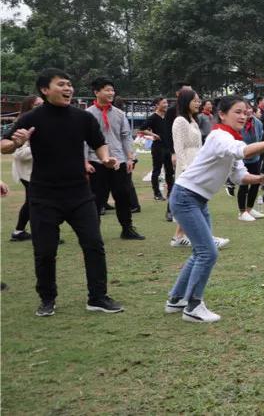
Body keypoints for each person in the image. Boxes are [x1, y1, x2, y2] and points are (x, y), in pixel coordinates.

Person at [1, 68, 125, 317]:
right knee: (45, 251)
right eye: (61, 84)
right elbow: (3, 145)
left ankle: (98, 297)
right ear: (45, 90)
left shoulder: (82, 118)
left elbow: (98, 143)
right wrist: (17, 142)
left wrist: (105, 158)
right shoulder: (31, 118)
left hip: (79, 194)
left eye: (69, 84)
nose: (68, 88)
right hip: (43, 196)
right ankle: (47, 299)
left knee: (94, 244)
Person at [166, 96, 264, 323]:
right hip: (186, 197)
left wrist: (261, 178)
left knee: (201, 252)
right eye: (238, 112)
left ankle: (176, 299)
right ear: (222, 115)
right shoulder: (219, 136)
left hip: (198, 199)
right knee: (208, 253)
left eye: (246, 112)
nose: (244, 116)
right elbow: (244, 152)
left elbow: (239, 176)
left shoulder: (230, 138)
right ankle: (193, 306)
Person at [85, 77, 144, 240]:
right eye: (107, 90)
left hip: (119, 161)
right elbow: (83, 140)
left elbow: (126, 136)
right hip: (96, 161)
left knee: (123, 196)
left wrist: (130, 158)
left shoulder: (119, 114)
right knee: (96, 198)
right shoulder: (87, 114)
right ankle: (93, 232)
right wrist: (84, 161)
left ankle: (127, 229)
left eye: (112, 90)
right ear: (96, 92)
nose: (111, 93)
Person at [171, 89, 230, 249]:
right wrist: (185, 168)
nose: (198, 103)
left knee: (196, 200)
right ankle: (204, 237)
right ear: (186, 101)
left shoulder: (192, 120)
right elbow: (179, 147)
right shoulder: (180, 121)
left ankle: (179, 236)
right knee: (194, 201)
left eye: (199, 101)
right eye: (195, 101)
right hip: (188, 166)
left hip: (196, 162)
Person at [10, 95, 43, 241]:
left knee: (32, 202)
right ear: (28, 107)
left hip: (38, 171)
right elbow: (19, 153)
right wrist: (42, 147)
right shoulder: (23, 124)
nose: (41, 106)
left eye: (43, 103)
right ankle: (38, 233)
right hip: (27, 172)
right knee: (35, 202)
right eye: (37, 104)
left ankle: (19, 231)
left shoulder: (41, 121)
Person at [235, 105, 264, 222]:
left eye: (249, 109)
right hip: (242, 158)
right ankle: (242, 211)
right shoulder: (238, 123)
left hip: (255, 158)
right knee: (244, 184)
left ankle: (249, 209)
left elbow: (260, 138)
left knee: (256, 182)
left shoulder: (257, 123)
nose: (248, 111)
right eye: (245, 109)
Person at [145, 97, 174, 202]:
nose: (166, 105)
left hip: (168, 147)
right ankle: (157, 193)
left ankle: (171, 192)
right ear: (157, 105)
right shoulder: (153, 117)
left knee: (170, 171)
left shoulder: (168, 116)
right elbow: (142, 129)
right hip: (158, 147)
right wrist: (153, 134)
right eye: (164, 103)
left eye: (167, 103)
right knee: (157, 170)